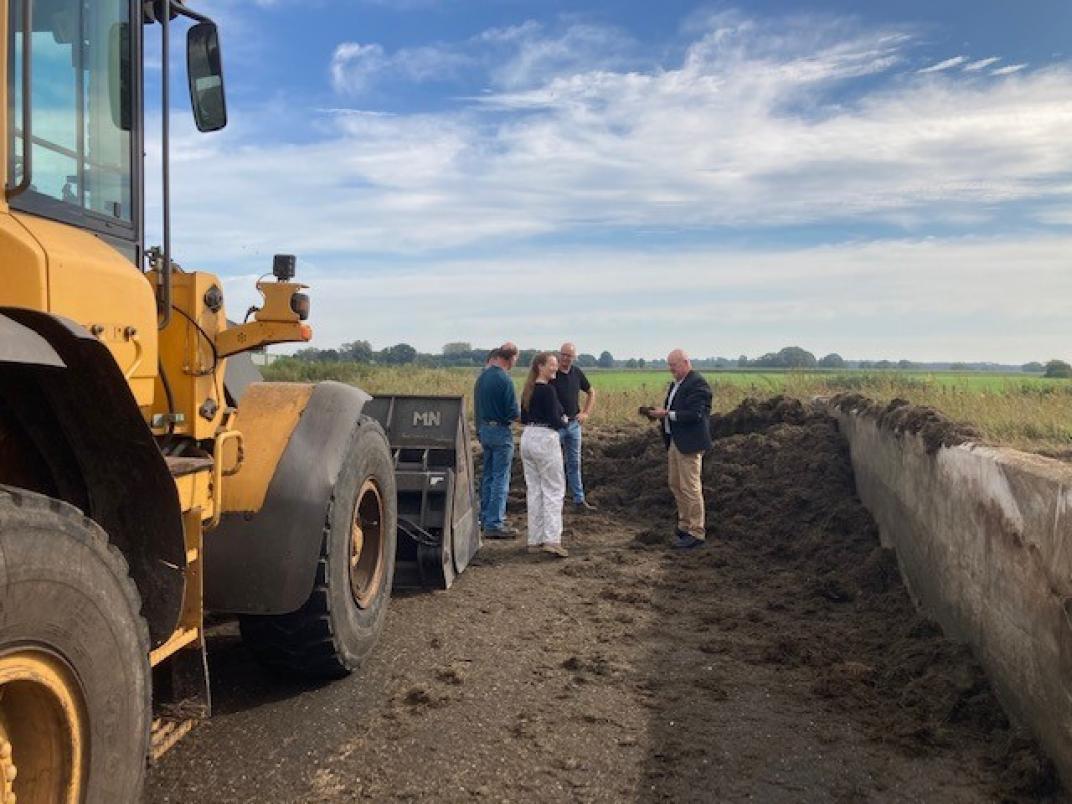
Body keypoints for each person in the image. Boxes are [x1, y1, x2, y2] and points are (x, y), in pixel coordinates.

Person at [646, 349, 713, 549]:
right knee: (675, 484)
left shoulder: (698, 384)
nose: (671, 369)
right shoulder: (678, 384)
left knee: (690, 487)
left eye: (673, 365)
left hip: (690, 443)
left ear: (685, 362)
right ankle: (684, 525)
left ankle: (696, 532)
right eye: (669, 365)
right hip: (675, 441)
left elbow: (695, 414)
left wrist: (667, 413)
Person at [519, 352, 570, 557]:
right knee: (554, 489)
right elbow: (555, 419)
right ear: (540, 366)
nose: (555, 368)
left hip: (528, 437)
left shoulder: (528, 390)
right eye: (552, 365)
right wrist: (565, 420)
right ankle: (552, 539)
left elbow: (523, 417)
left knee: (535, 490)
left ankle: (535, 539)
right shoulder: (548, 391)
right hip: (545, 438)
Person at [475, 342, 520, 538]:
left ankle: (484, 517)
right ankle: (495, 522)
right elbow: (513, 412)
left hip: (485, 429)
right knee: (501, 478)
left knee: (488, 476)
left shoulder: (482, 377)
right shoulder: (505, 380)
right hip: (501, 432)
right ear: (511, 358)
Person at [550, 342, 597, 511]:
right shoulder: (552, 374)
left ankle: (579, 500)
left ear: (574, 357)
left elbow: (591, 391)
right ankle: (555, 500)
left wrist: (585, 413)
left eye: (569, 356)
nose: (565, 358)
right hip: (556, 426)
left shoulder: (577, 373)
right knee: (553, 463)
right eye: (563, 354)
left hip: (574, 425)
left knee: (574, 463)